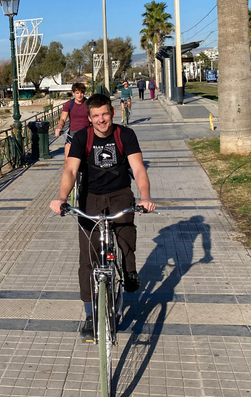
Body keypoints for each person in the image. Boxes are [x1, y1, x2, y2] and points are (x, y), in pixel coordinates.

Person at [49, 93, 156, 339]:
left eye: (105, 114)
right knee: (88, 259)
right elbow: (71, 169)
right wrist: (62, 198)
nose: (101, 120)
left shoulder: (125, 135)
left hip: (119, 193)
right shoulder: (81, 137)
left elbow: (138, 168)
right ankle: (90, 315)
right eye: (95, 116)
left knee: (125, 232)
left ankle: (129, 271)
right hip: (91, 198)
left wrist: (145, 196)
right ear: (88, 118)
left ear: (112, 113)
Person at [54, 83, 90, 160]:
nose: (79, 95)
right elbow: (63, 119)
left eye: (82, 93)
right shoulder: (69, 104)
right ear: (73, 93)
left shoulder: (88, 104)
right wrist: (59, 128)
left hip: (86, 133)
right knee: (67, 159)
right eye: (77, 93)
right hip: (73, 133)